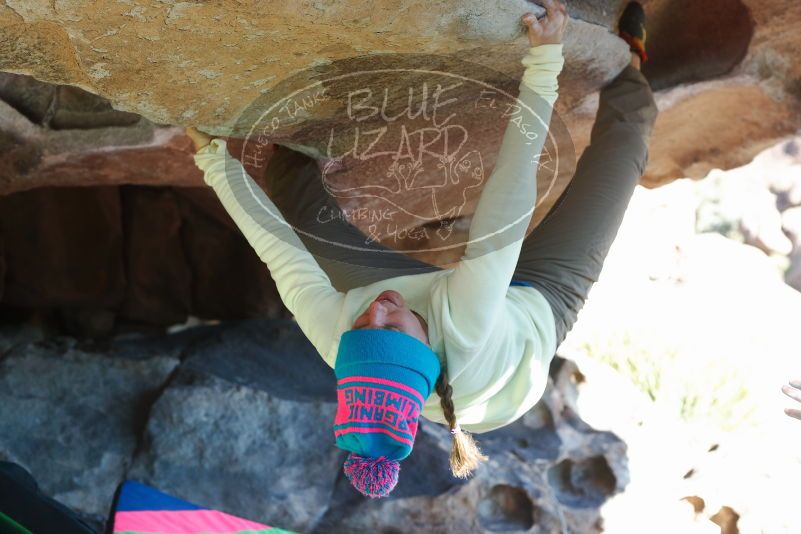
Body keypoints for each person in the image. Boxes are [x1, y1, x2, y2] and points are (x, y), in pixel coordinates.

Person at [187, 0, 657, 498]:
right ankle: (634, 63)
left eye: (364, 326)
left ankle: (291, 153)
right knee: (622, 157)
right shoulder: (465, 326)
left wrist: (214, 161)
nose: (377, 311)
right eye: (388, 327)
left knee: (300, 213)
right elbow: (511, 191)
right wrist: (544, 61)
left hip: (437, 317)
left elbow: (281, 254)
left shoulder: (343, 338)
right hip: (538, 310)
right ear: (424, 351)